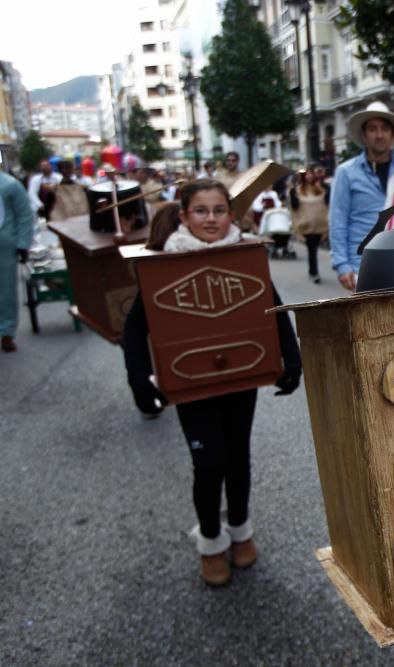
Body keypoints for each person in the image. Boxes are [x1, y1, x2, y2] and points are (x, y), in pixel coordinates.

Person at [121, 180, 301, 587]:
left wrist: (291, 359)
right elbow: (133, 330)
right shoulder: (163, 264)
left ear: (231, 216)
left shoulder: (245, 255)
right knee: (209, 462)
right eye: (201, 211)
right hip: (190, 383)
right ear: (184, 216)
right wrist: (138, 379)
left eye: (219, 210)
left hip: (240, 377)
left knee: (238, 457)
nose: (211, 219)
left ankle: (240, 530)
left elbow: (273, 308)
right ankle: (211, 542)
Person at [329, 101, 394, 291]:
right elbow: (337, 220)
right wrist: (342, 264)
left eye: (384, 128)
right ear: (363, 135)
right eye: (372, 129)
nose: (379, 135)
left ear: (392, 134)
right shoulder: (346, 172)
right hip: (361, 265)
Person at [0, 171, 36, 352]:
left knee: (6, 292)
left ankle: (6, 332)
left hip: (4, 246)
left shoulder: (10, 185)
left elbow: (24, 215)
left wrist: (23, 244)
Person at [290, 167, 329, 283]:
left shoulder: (320, 189)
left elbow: (327, 203)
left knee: (314, 248)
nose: (309, 176)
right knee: (312, 249)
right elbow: (295, 207)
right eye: (307, 174)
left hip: (320, 225)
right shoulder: (297, 191)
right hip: (306, 225)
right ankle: (314, 272)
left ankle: (313, 271)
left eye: (311, 174)